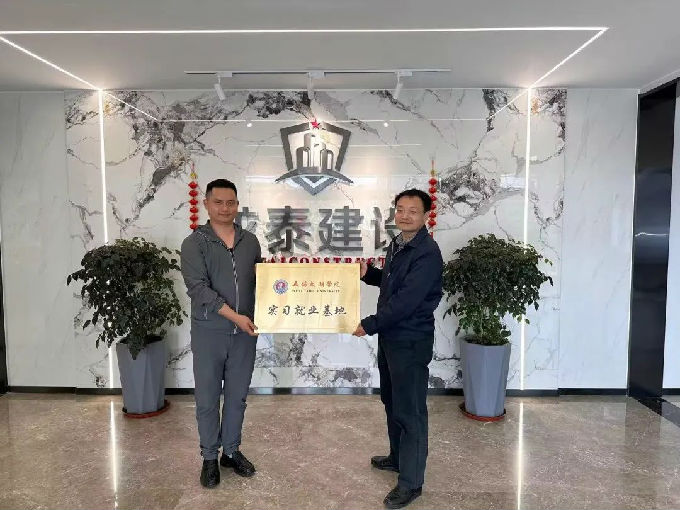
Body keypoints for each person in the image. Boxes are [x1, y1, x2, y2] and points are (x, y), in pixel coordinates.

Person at [353, 188, 443, 509]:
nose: (404, 216)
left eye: (412, 211)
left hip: (411, 341)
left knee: (410, 410)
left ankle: (411, 482)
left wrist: (370, 323)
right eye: (400, 210)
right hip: (391, 337)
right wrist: (369, 274)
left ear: (426, 215)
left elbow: (406, 301)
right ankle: (397, 457)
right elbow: (394, 284)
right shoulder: (399, 243)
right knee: (391, 400)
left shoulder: (427, 253)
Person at [180, 178, 262, 488]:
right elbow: (198, 289)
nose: (225, 208)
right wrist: (235, 317)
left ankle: (231, 451)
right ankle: (209, 458)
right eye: (218, 202)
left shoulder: (250, 241)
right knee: (207, 398)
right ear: (206, 204)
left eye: (230, 203)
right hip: (209, 332)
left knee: (237, 397)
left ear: (237, 205)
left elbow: (262, 282)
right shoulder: (194, 243)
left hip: (244, 334)